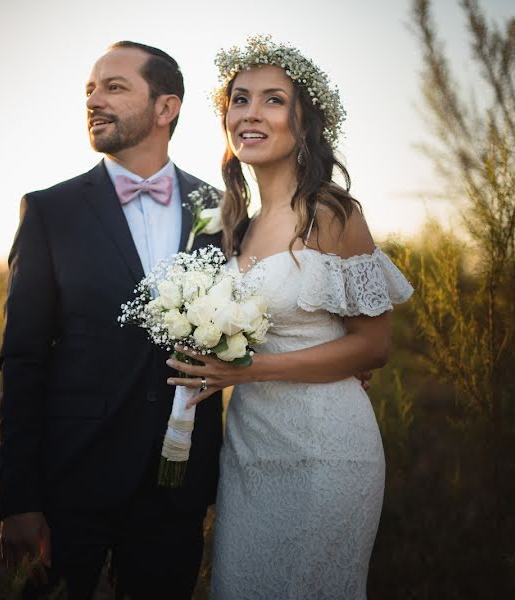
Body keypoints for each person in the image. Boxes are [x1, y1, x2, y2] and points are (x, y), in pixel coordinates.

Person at [167, 36, 414, 599]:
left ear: (304, 123)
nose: (250, 113)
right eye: (240, 99)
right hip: (250, 450)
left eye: (273, 100)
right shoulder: (237, 224)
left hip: (326, 449)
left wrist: (243, 373)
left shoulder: (332, 214)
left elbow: (373, 347)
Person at [0, 41, 225, 599]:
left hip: (176, 487)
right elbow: (22, 359)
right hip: (69, 485)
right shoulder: (50, 211)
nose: (94, 99)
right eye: (90, 90)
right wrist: (18, 498)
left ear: (165, 108)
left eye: (114, 87)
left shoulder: (221, 209)